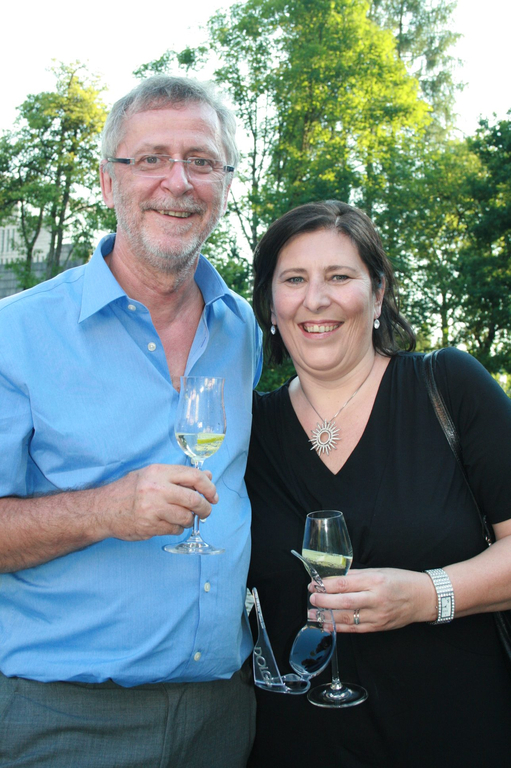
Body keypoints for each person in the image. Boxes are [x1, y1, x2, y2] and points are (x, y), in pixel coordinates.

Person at [0, 76, 262, 768]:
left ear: (225, 183)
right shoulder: (15, 334)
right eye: (151, 159)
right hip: (63, 719)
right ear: (107, 181)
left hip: (223, 715)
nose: (179, 182)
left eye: (201, 161)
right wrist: (105, 510)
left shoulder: (243, 329)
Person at [246, 200, 511, 768]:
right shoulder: (247, 431)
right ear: (270, 303)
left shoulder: (449, 387)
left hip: (454, 738)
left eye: (339, 277)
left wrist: (426, 596)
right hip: (293, 747)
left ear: (379, 293)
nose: (316, 299)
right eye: (294, 279)